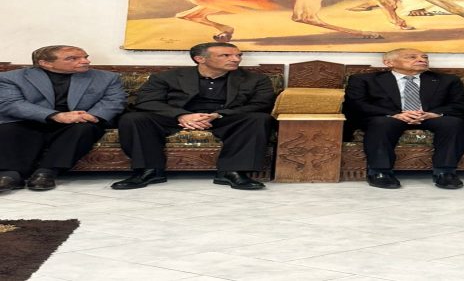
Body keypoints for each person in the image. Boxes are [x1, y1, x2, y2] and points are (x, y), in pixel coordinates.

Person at [111, 42, 275, 191]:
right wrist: (181, 115)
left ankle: (233, 172)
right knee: (134, 119)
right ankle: (149, 170)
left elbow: (261, 104)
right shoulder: (167, 77)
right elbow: (147, 101)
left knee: (259, 118)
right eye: (226, 55)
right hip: (176, 116)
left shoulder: (256, 79)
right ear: (200, 59)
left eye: (238, 55)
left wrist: (218, 115)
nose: (236, 59)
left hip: (226, 117)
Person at [342, 48, 464, 189]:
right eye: (412, 57)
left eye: (424, 57)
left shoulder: (447, 80)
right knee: (381, 123)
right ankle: (380, 172)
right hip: (389, 117)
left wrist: (433, 113)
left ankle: (445, 173)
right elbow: (356, 104)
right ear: (389, 62)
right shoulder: (364, 79)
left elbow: (460, 106)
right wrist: (394, 114)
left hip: (429, 116)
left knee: (454, 123)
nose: (422, 60)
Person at [0, 45, 125, 191]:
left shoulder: (107, 78)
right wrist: (56, 116)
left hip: (77, 121)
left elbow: (114, 101)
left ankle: (46, 173)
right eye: (72, 58)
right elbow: (11, 103)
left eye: (85, 57)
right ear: (45, 63)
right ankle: (10, 174)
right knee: (7, 129)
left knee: (85, 129)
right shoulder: (11, 78)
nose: (85, 61)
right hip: (31, 119)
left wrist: (92, 115)